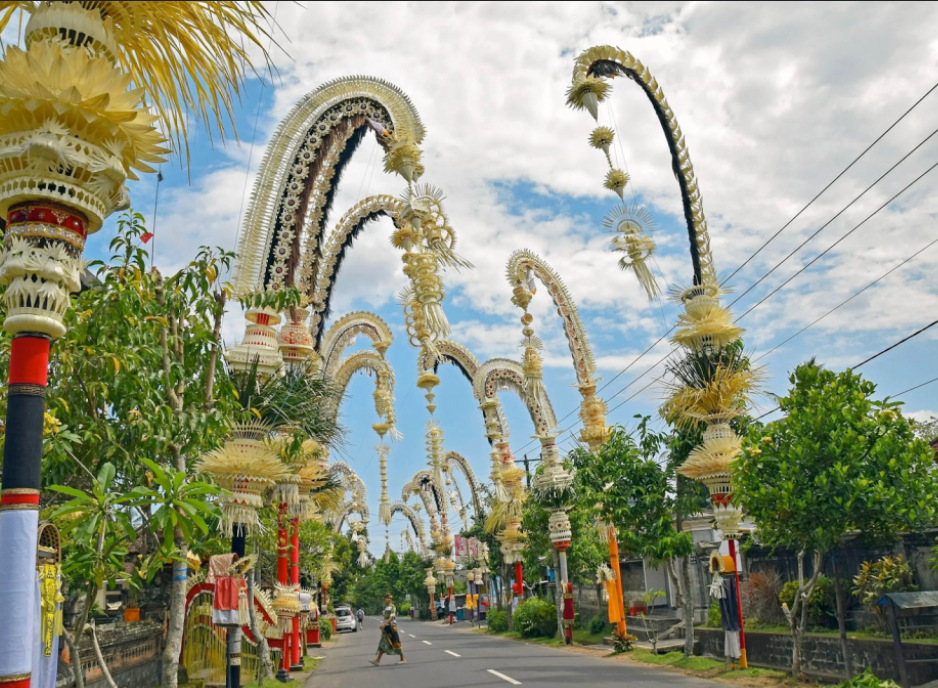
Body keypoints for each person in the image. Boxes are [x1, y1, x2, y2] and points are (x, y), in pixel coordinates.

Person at [369, 594, 405, 665]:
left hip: (392, 627)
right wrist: (384, 626)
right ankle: (377, 661)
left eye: (388, 598)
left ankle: (402, 658)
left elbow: (391, 617)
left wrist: (384, 624)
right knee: (383, 643)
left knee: (396, 642)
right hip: (387, 628)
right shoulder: (386, 608)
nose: (386, 599)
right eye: (386, 598)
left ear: (390, 599)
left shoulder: (392, 607)